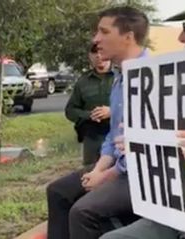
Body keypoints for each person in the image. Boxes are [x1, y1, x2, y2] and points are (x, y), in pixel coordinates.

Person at [46, 6, 149, 239]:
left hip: (141, 174)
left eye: (104, 32)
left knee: (82, 212)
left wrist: (106, 176)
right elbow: (113, 138)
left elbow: (144, 150)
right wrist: (99, 168)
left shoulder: (152, 77)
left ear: (128, 36)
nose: (96, 39)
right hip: (117, 166)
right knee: (58, 191)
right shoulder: (119, 78)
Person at [99, 10, 185, 239]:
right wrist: (147, 144)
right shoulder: (160, 80)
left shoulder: (155, 75)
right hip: (171, 210)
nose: (180, 39)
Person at [65, 43, 113, 165]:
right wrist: (89, 115)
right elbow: (70, 110)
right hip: (92, 136)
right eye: (95, 53)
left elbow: (136, 106)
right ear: (90, 56)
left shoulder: (121, 76)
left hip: (116, 135)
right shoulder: (83, 81)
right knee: (90, 173)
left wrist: (112, 111)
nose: (99, 56)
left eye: (102, 51)